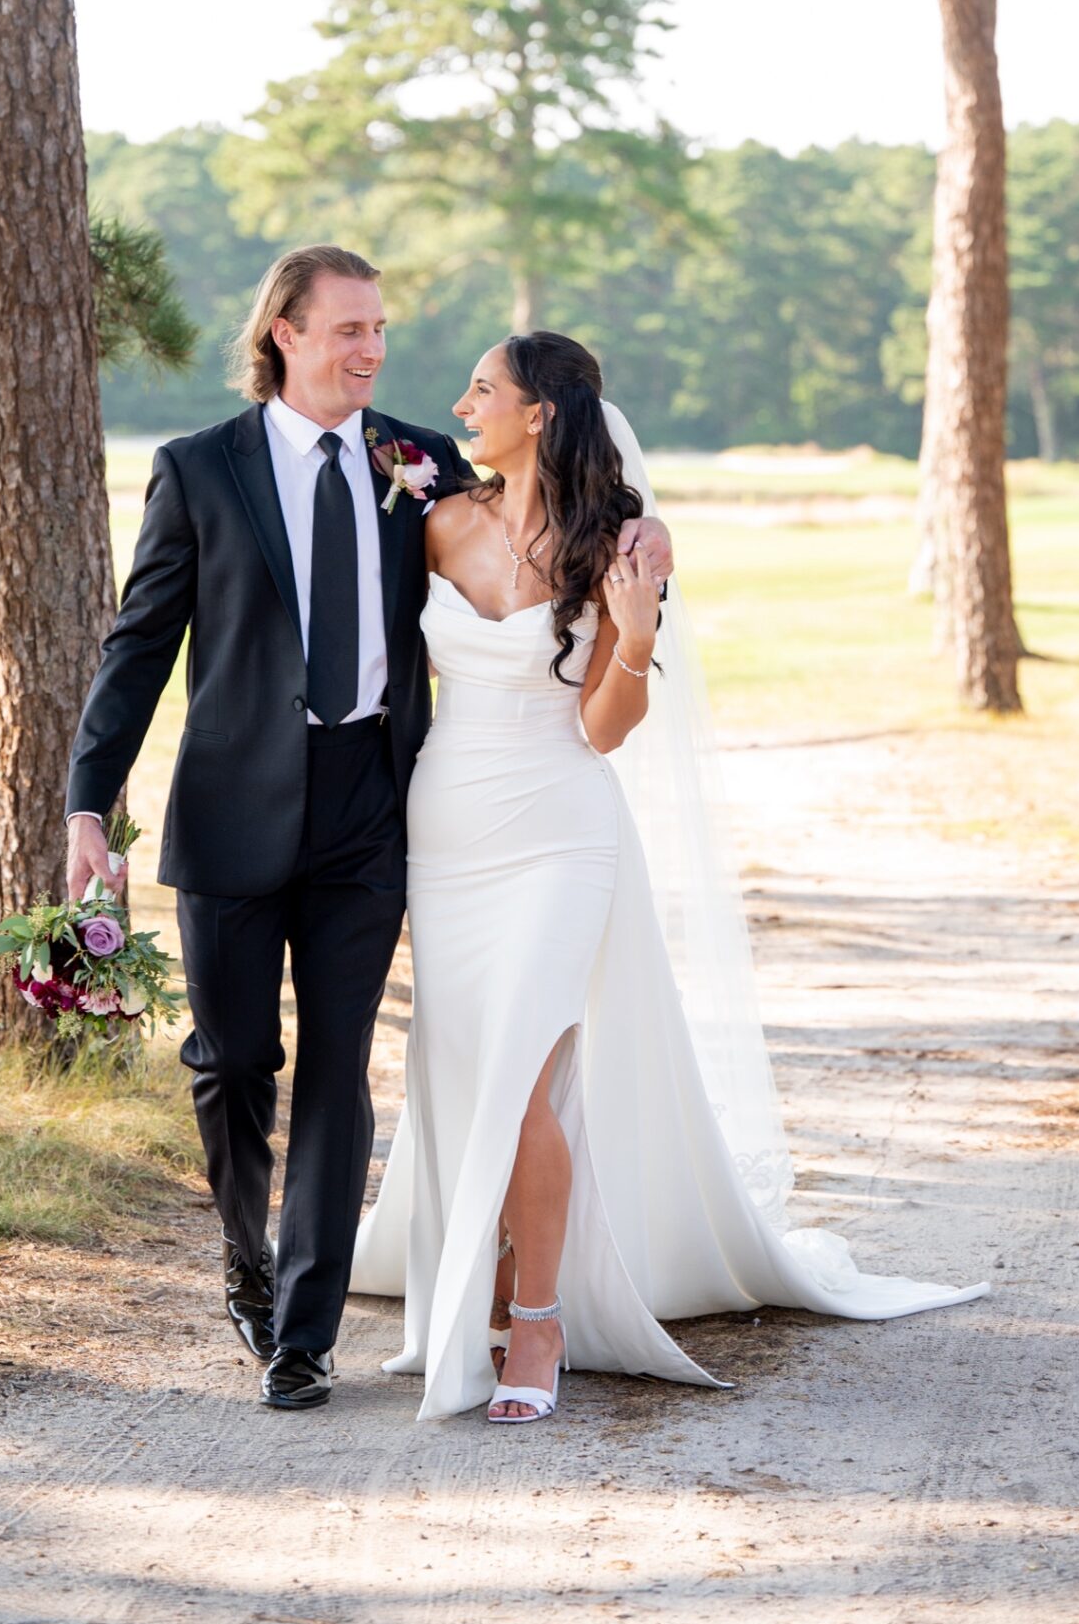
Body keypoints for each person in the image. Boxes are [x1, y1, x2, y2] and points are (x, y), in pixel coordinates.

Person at [62, 250, 673, 1411]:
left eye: (380, 329)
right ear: (284, 332)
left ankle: (304, 1332)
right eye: (349, 329)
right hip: (233, 805)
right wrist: (91, 799)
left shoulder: (425, 465)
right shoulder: (197, 470)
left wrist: (644, 546)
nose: (373, 351)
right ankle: (245, 1252)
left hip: (376, 809)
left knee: (342, 1067)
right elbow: (139, 645)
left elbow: (567, 521)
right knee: (233, 1059)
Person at [350, 331, 988, 1423]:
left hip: (559, 822)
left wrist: (634, 634)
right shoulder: (437, 520)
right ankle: (491, 1275)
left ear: (539, 411)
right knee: (461, 1068)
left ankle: (538, 1318)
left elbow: (604, 729)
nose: (461, 404)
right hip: (447, 821)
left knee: (521, 1067)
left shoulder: (622, 543)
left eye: (484, 389)